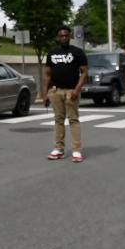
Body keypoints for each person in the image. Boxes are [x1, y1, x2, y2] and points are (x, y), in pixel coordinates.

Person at [41, 26, 88, 163]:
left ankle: (76, 151)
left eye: (66, 35)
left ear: (70, 36)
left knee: (73, 120)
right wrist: (45, 94)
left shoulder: (77, 52)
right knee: (58, 120)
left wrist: (77, 90)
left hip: (71, 91)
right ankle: (59, 149)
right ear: (57, 38)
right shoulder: (52, 53)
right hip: (56, 91)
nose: (64, 38)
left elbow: (84, 72)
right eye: (61, 36)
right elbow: (47, 75)